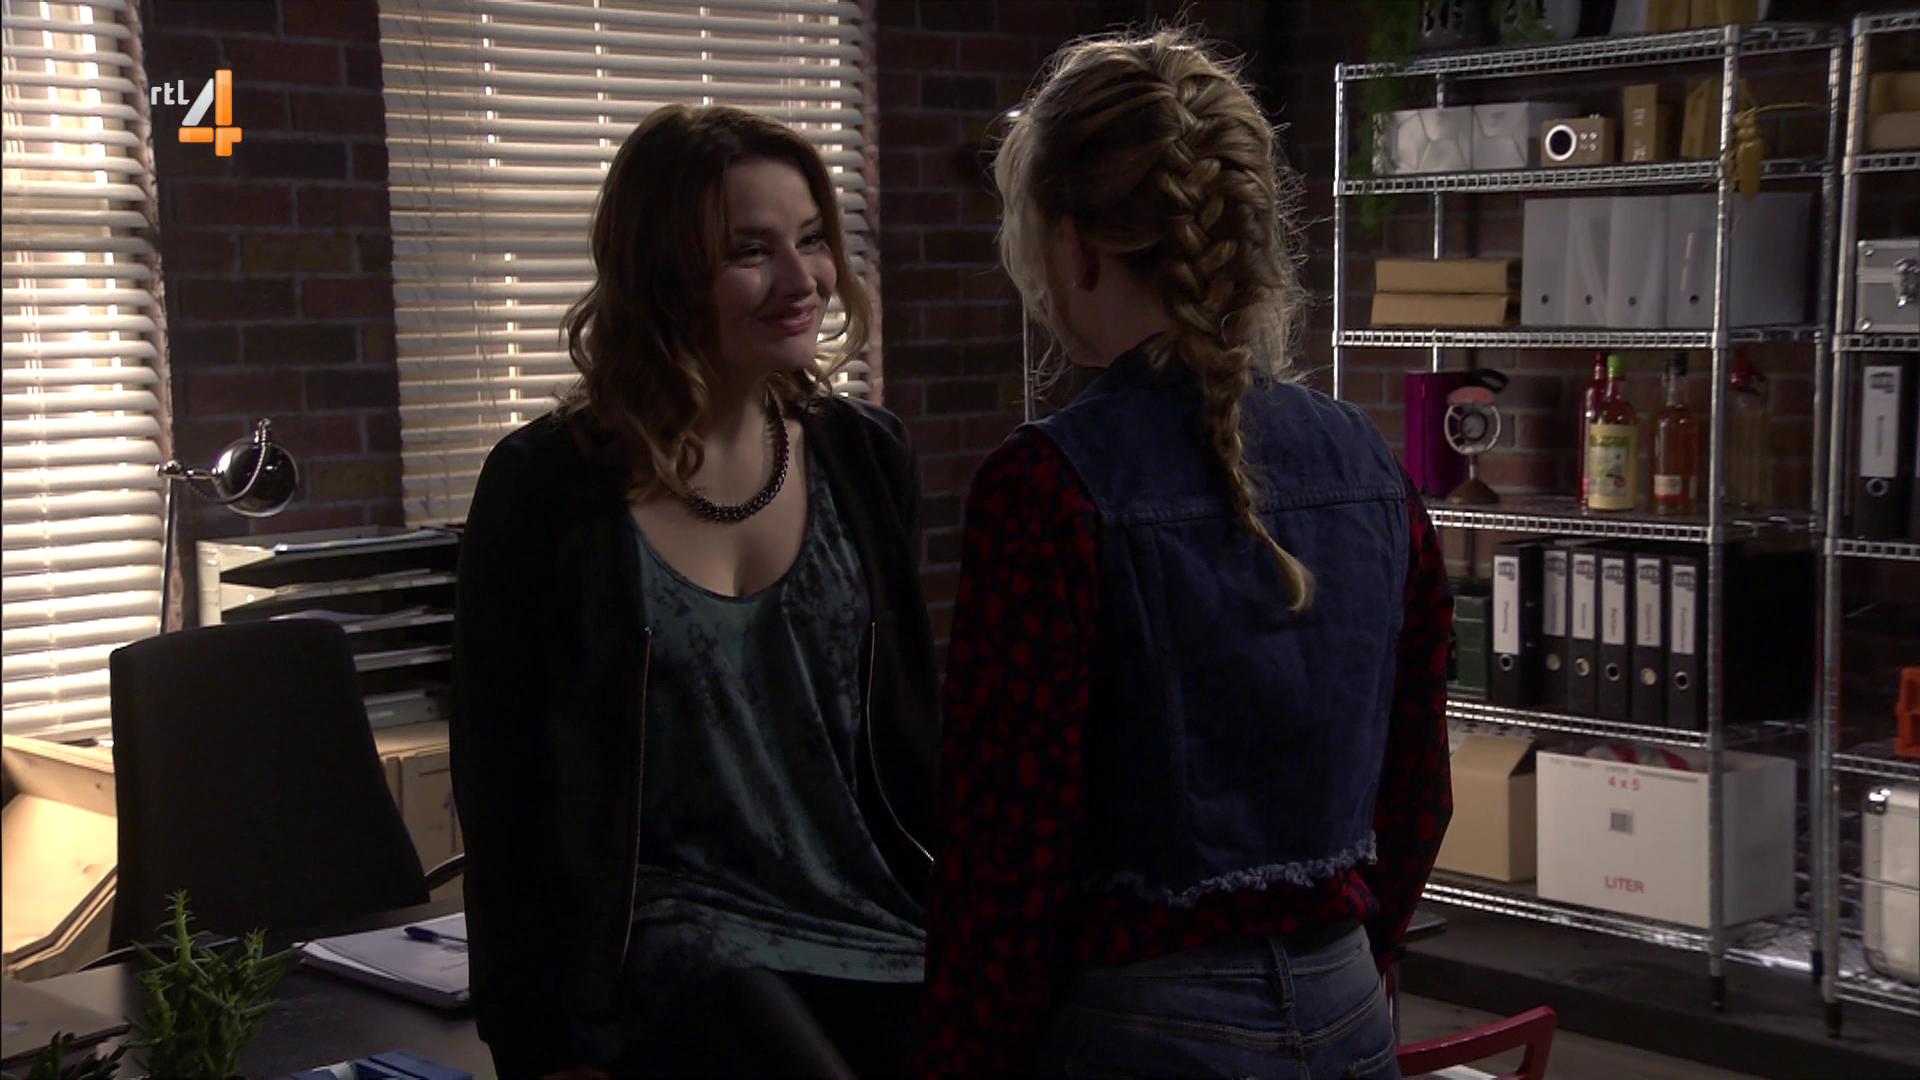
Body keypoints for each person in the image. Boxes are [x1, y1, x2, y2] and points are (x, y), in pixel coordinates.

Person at [917, 29, 1454, 1079]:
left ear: (1072, 247)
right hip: (1350, 1007)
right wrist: (1342, 958)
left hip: (1145, 1028)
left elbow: (1005, 857)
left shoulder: (1046, 487)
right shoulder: (1370, 465)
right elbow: (1417, 792)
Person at [452, 104, 940, 1079]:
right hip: (665, 939)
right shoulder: (547, 486)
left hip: (874, 912)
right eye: (750, 252)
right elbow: (502, 787)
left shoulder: (864, 457)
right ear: (662, 273)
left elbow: (914, 731)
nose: (802, 281)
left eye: (812, 240)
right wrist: (536, 1041)